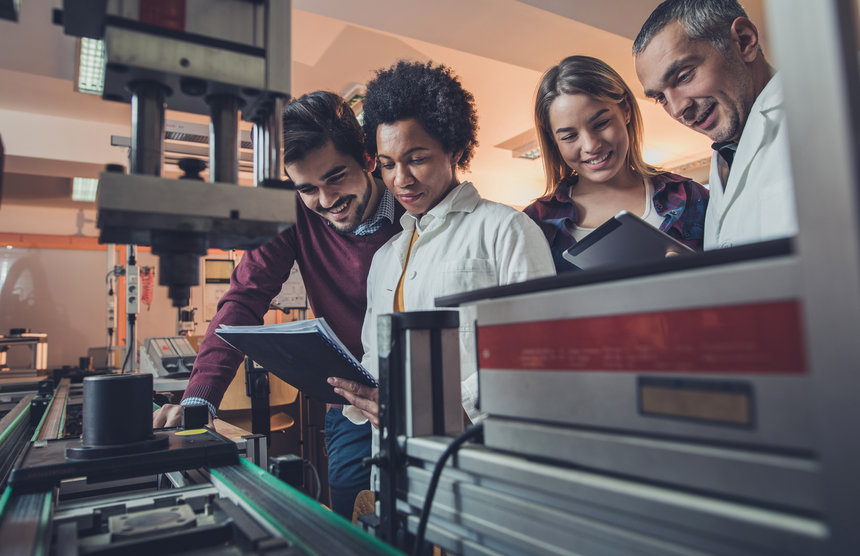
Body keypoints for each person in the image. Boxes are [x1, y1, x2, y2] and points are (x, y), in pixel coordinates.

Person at [151, 91, 405, 519]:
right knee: (354, 520)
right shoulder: (292, 212)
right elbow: (243, 299)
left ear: (367, 157)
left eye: (336, 178)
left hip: (421, 394)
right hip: (350, 405)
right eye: (308, 188)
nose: (326, 201)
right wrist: (199, 400)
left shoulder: (413, 202)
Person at [327, 61, 555, 430]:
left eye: (416, 159)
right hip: (394, 456)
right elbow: (374, 356)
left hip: (477, 453)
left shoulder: (507, 230)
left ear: (453, 149)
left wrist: (436, 410)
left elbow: (536, 349)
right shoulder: (386, 257)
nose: (400, 179)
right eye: (387, 164)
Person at [633, 0, 796, 250]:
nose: (677, 110)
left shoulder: (830, 106)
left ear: (744, 41)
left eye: (684, 76)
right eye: (661, 97)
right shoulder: (725, 157)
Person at [523, 55, 709, 272]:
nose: (591, 145)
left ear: (626, 110)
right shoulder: (535, 222)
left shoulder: (689, 197)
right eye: (569, 136)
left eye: (601, 123)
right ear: (554, 141)